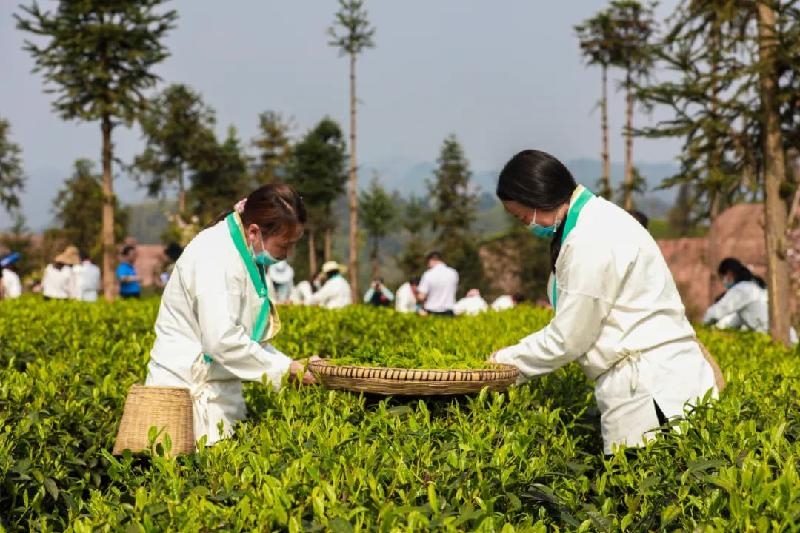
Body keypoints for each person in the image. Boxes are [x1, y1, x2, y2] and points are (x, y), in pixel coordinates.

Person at [487, 149, 719, 455]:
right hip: (655, 381)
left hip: (651, 391)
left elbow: (568, 338)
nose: (526, 225)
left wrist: (502, 364)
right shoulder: (595, 220)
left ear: (538, 198)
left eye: (522, 217)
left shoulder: (591, 239)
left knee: (647, 492)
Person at [145, 183, 317, 446]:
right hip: (185, 393)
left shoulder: (240, 252)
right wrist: (287, 368)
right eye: (285, 245)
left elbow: (242, 336)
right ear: (254, 231)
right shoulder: (216, 256)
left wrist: (292, 365)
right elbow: (221, 339)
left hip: (216, 390)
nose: (288, 254)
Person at [703, 257, 798, 343]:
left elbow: (716, 312)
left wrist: (701, 329)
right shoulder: (757, 287)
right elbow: (733, 320)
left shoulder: (742, 289)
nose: (723, 282)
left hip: (776, 338)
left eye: (722, 278)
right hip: (788, 337)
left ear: (729, 274)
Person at [417, 252, 459, 316]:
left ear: (431, 260)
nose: (428, 266)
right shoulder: (453, 273)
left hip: (432, 311)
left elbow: (421, 296)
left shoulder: (428, 274)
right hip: (449, 311)